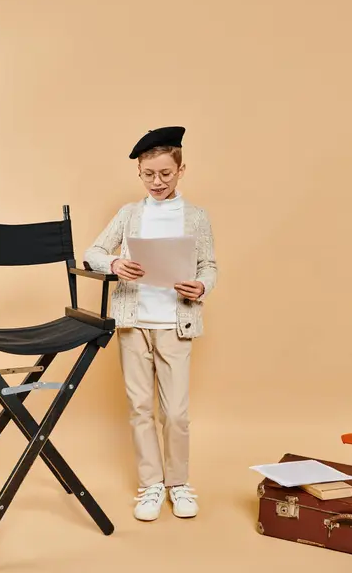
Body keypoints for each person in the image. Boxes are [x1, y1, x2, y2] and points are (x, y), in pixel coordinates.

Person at [83, 126, 217, 521]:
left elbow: (208, 265)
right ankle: (151, 484)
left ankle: (178, 483)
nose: (157, 182)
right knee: (140, 407)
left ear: (181, 170)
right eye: (149, 175)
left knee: (175, 411)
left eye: (165, 174)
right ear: (139, 173)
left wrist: (202, 285)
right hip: (133, 323)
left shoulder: (196, 217)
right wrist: (114, 263)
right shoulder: (129, 214)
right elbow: (93, 251)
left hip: (176, 323)